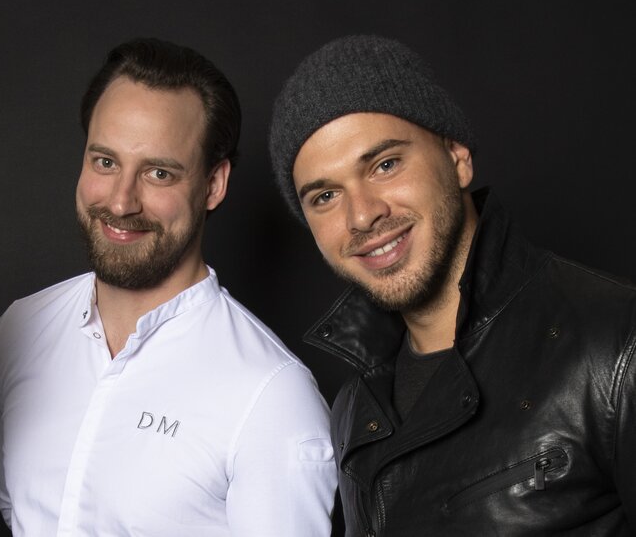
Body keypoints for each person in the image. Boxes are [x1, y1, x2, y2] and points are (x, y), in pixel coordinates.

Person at [268, 34, 636, 535]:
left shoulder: (614, 344)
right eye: (325, 196)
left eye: (385, 165)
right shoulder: (356, 406)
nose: (362, 214)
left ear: (457, 157)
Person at [0, 37, 337, 536]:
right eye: (105, 162)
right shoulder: (19, 331)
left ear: (214, 184)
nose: (122, 201)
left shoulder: (274, 398)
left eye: (159, 173)